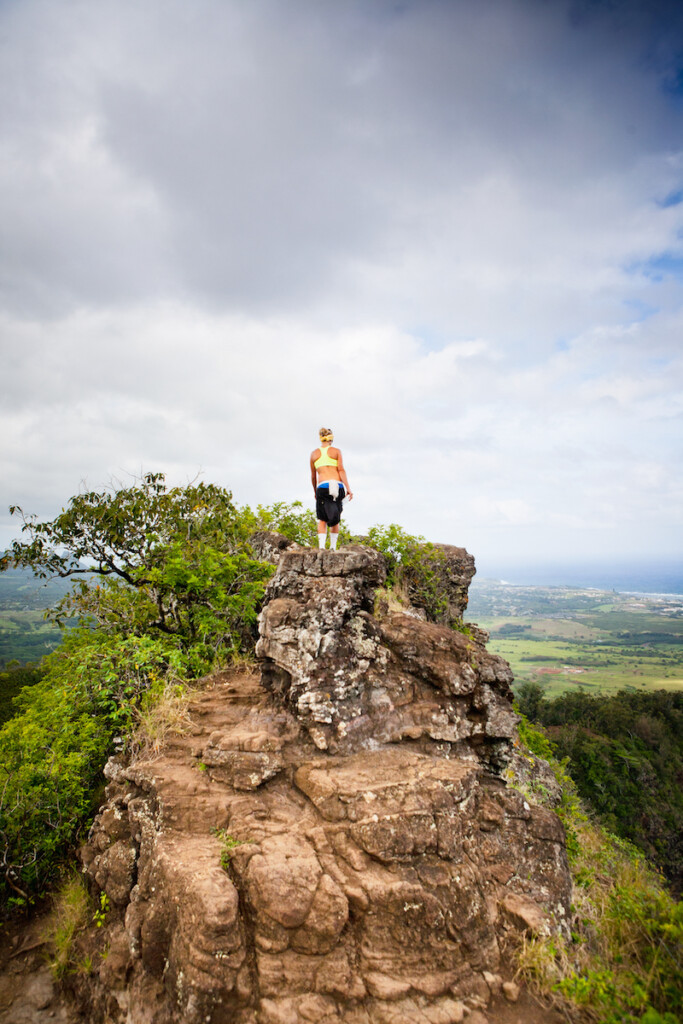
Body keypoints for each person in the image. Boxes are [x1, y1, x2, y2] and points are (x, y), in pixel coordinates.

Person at [310, 427, 353, 550]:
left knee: (322, 519)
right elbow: (341, 470)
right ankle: (333, 548)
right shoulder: (336, 451)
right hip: (336, 485)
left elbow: (313, 476)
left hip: (322, 487)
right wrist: (348, 488)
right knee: (336, 517)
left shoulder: (314, 454)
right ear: (331, 439)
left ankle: (322, 547)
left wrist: (315, 492)